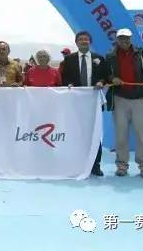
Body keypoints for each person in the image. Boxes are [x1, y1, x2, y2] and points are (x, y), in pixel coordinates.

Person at [105, 28, 143, 178]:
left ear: (131, 39)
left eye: (127, 38)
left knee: (141, 134)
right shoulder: (110, 55)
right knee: (120, 135)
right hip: (120, 99)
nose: (124, 41)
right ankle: (122, 165)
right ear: (117, 39)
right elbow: (106, 73)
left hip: (139, 98)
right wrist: (112, 78)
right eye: (121, 38)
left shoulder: (140, 53)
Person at [60, 31, 106, 176]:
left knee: (95, 134)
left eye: (86, 39)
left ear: (90, 42)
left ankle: (96, 165)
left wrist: (101, 82)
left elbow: (105, 76)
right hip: (76, 103)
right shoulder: (69, 59)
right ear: (76, 42)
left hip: (94, 103)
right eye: (81, 39)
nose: (84, 41)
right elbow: (64, 78)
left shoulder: (99, 58)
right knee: (77, 134)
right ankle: (78, 164)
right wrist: (68, 84)